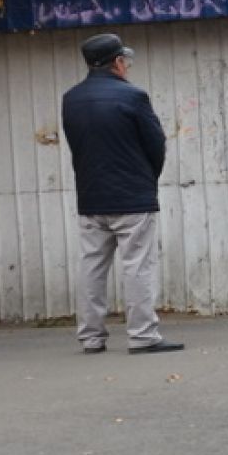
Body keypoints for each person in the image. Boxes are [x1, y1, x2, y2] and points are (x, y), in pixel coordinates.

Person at [60, 33, 182, 355]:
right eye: (124, 60)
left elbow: (78, 146)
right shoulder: (133, 97)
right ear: (117, 62)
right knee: (138, 266)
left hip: (91, 197)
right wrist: (146, 179)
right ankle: (142, 336)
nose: (126, 65)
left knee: (92, 267)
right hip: (132, 198)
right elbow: (156, 145)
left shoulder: (71, 99)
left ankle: (90, 338)